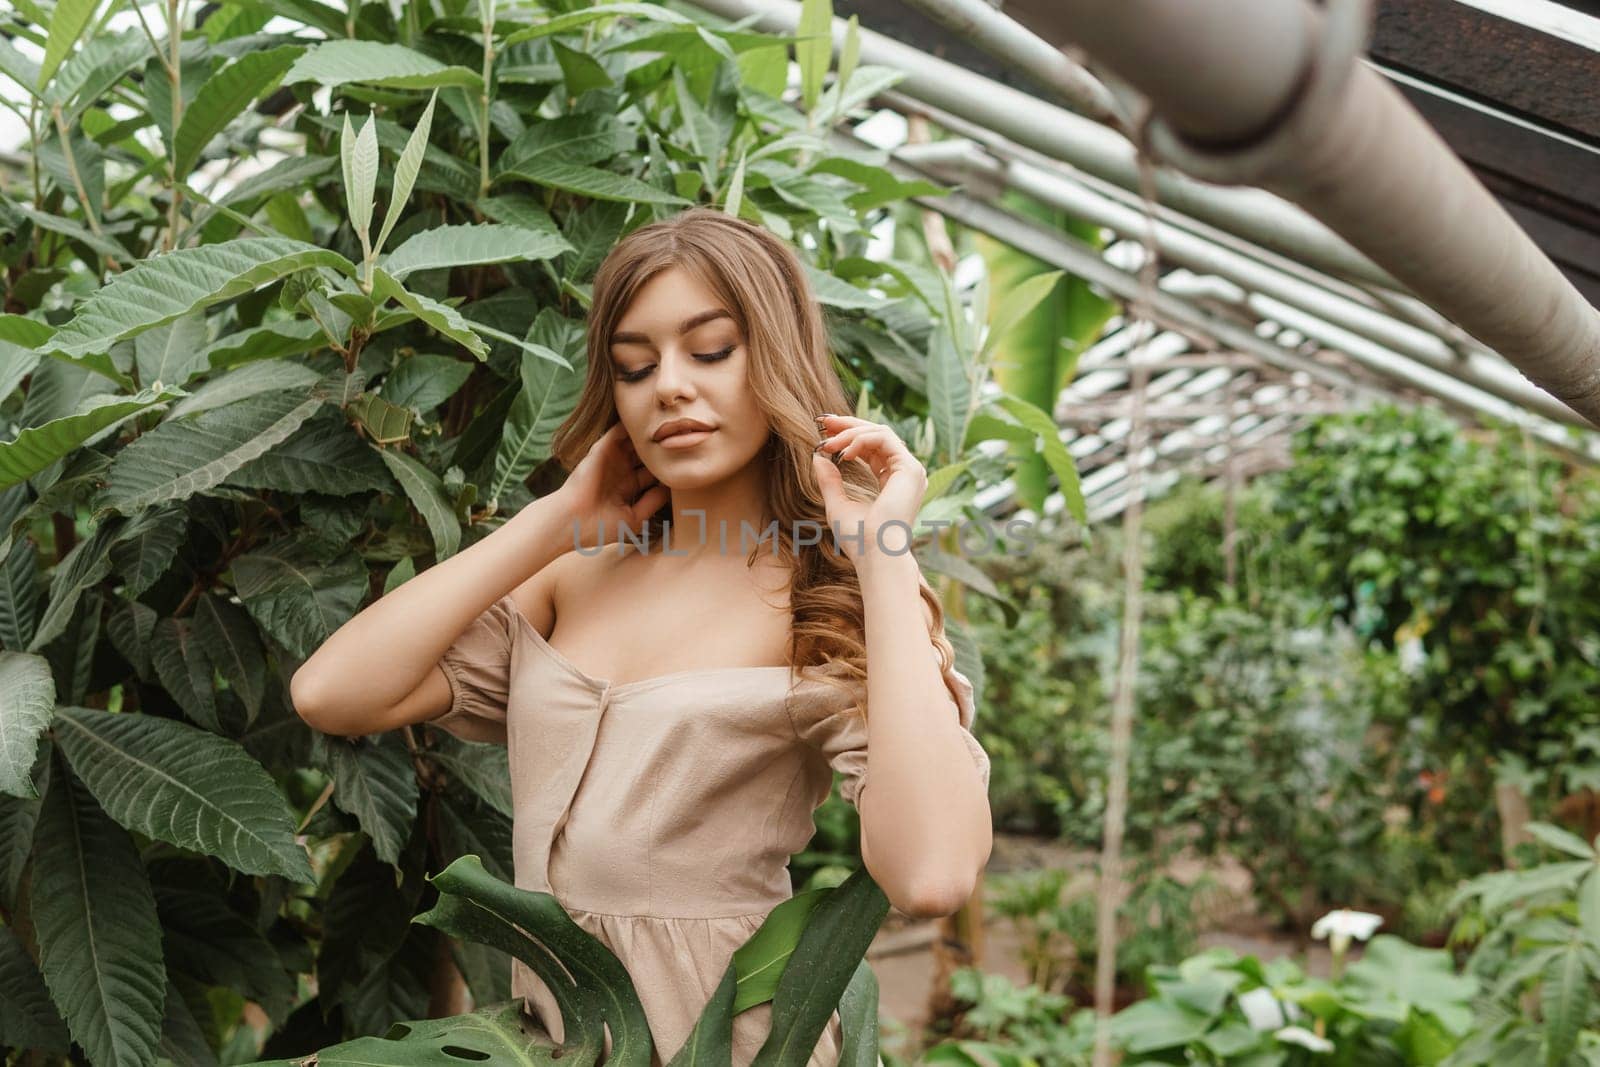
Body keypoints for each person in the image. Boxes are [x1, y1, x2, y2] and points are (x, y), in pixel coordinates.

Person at [290, 206, 993, 1066]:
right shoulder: (571, 574)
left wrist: (883, 557)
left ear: (774, 358)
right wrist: (552, 521)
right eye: (633, 364)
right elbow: (331, 693)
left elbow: (932, 875)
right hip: (553, 1043)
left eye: (710, 350)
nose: (668, 385)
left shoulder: (833, 590)